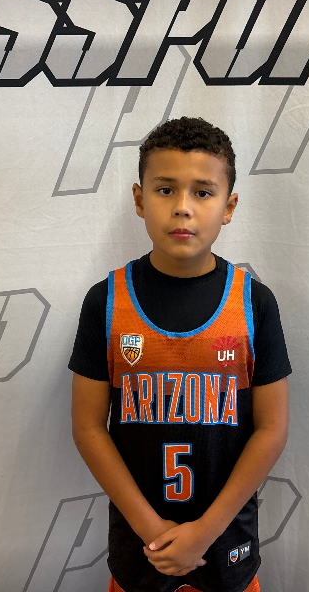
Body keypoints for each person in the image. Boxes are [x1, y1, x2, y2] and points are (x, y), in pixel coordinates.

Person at [69, 116, 291, 592]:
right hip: (139, 549)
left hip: (226, 546)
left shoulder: (254, 303)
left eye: (203, 192)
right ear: (139, 199)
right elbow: (88, 428)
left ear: (229, 206)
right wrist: (152, 530)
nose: (183, 208)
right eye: (165, 190)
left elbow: (272, 430)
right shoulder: (106, 301)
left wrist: (204, 532)